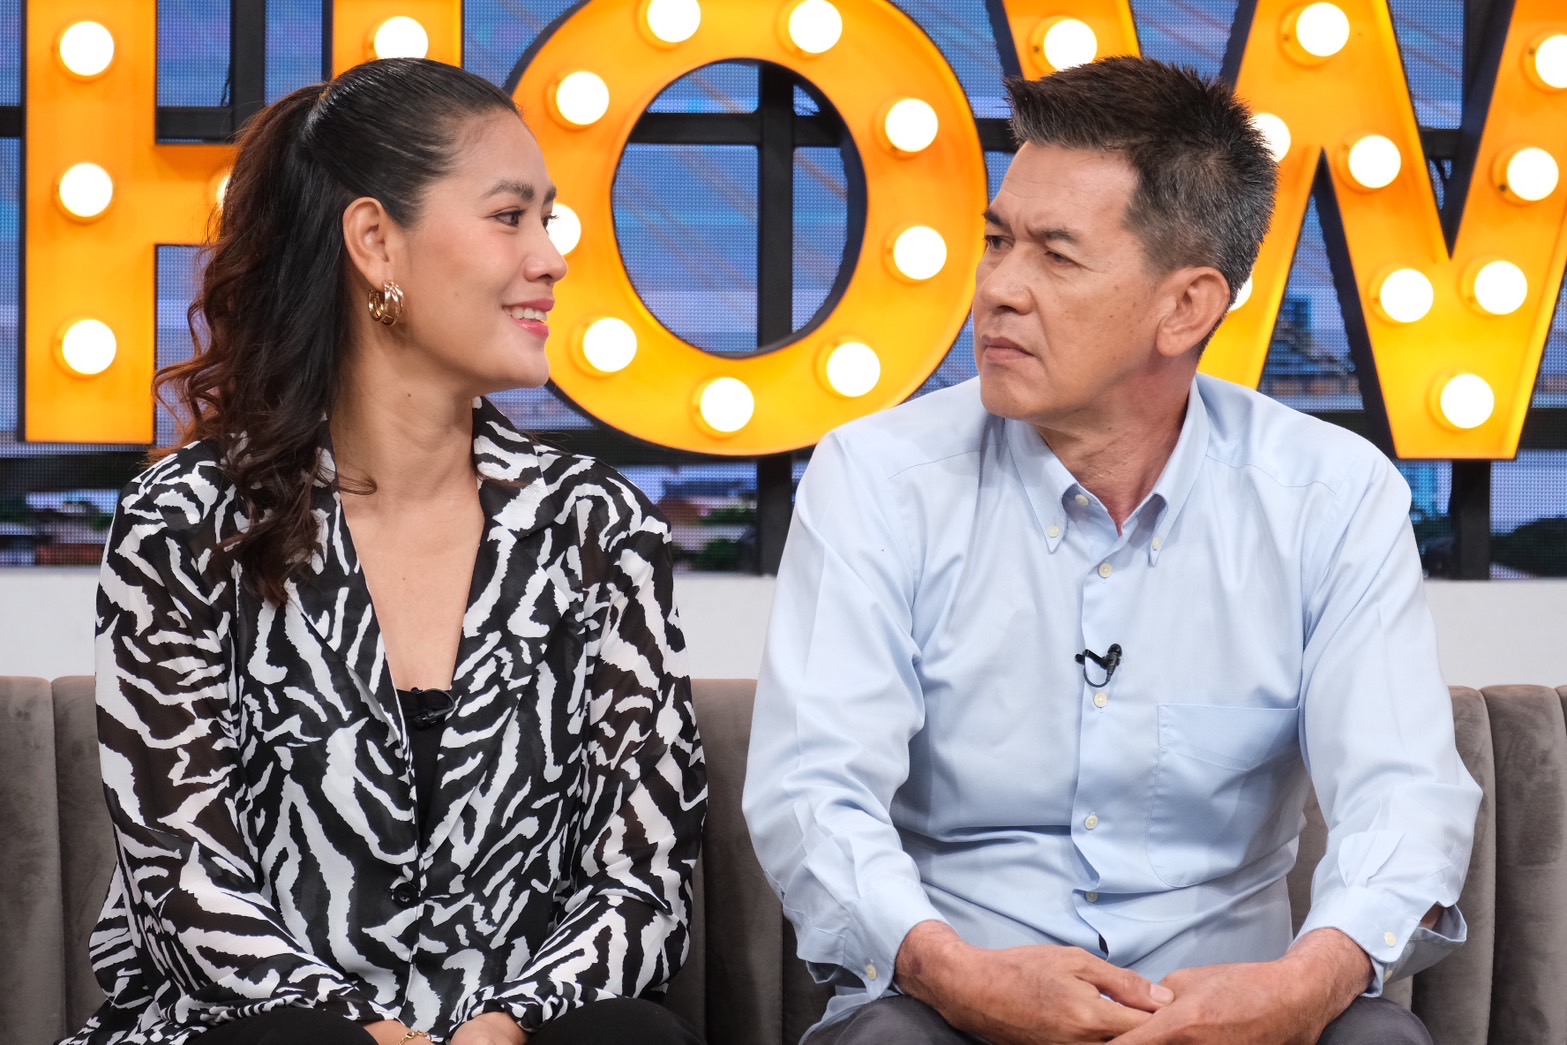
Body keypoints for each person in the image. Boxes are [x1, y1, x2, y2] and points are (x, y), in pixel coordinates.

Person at [743, 57, 1479, 1045]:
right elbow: (812, 791)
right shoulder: (877, 478)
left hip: (1233, 1014)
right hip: (949, 1008)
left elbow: (1403, 794)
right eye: (996, 242)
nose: (998, 289)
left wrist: (1302, 987)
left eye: (1054, 256)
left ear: (1186, 307)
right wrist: (953, 971)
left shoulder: (1329, 496)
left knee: (1379, 1040)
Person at [66, 58, 705, 1045]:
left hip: (511, 1031)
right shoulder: (187, 519)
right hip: (263, 1028)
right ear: (374, 240)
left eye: (547, 220)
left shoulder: (597, 526)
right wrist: (364, 1030)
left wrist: (510, 1019)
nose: (551, 258)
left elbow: (642, 884)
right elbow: (183, 885)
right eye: (510, 217)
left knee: (631, 1037)